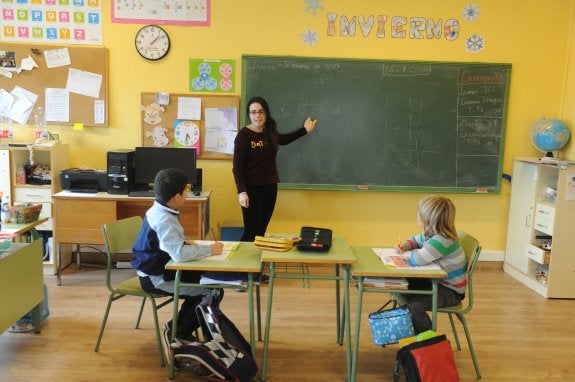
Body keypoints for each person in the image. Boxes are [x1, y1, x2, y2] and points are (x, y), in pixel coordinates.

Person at [132, 168, 224, 341]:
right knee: (210, 292)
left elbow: (164, 241)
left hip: (161, 268)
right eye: (186, 189)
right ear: (177, 197)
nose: (188, 191)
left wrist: (181, 239)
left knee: (212, 282)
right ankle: (177, 333)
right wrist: (210, 250)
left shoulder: (160, 208)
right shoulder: (164, 219)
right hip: (155, 278)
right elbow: (179, 255)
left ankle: (181, 325)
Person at [232, 96, 317, 241]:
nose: (257, 116)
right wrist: (241, 191)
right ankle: (242, 263)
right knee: (250, 233)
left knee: (261, 232)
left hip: (270, 187)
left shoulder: (269, 132)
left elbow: (284, 139)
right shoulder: (243, 136)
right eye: (253, 112)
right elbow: (237, 167)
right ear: (249, 115)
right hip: (251, 190)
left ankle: (258, 262)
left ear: (266, 114)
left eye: (261, 112)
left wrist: (305, 130)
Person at [394, 195, 467, 334]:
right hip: (436, 282)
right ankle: (408, 328)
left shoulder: (441, 240)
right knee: (401, 284)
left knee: (414, 307)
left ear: (429, 219)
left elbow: (417, 260)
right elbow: (415, 240)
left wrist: (413, 253)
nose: (416, 215)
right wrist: (405, 245)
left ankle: (428, 343)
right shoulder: (430, 233)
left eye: (419, 213)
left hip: (449, 291)